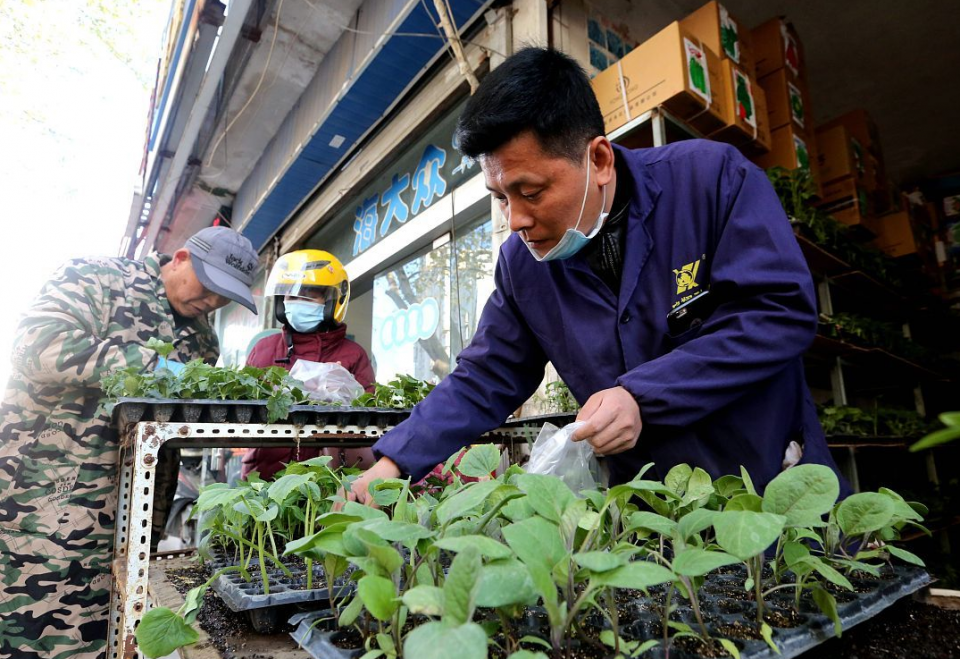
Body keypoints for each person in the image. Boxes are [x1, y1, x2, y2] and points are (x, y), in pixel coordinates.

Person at [345, 47, 847, 505]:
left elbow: (778, 311)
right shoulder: (523, 266)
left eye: (531, 191)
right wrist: (393, 462)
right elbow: (485, 375)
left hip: (769, 484)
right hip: (652, 514)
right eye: (500, 198)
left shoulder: (711, 181)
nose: (514, 219)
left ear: (600, 159)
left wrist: (642, 396)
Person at [0, 226, 259, 659]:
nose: (213, 301)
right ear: (179, 258)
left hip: (132, 513)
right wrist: (153, 368)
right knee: (31, 626)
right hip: (48, 497)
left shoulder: (202, 339)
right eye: (209, 285)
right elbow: (37, 343)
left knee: (109, 628)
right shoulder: (97, 279)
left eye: (225, 295)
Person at [241, 250, 375, 480]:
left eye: (308, 295)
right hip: (264, 478)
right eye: (291, 297)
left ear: (333, 300)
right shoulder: (263, 349)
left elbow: (369, 423)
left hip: (329, 479)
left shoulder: (353, 355)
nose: (296, 302)